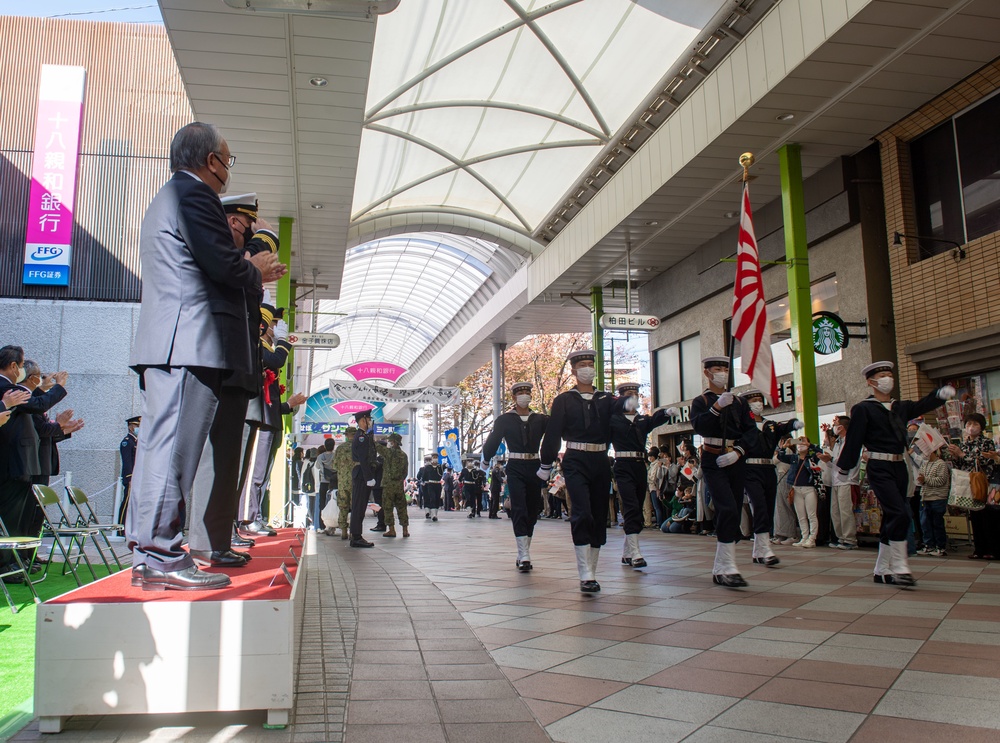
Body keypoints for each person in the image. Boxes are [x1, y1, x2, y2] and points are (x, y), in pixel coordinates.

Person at [125, 122, 285, 591]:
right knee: (172, 451)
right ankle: (160, 555)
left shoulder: (171, 196)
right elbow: (220, 262)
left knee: (165, 450)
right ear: (212, 161)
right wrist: (253, 270)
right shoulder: (194, 196)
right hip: (187, 344)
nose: (227, 171)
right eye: (227, 161)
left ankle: (154, 552)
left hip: (178, 344)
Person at [837, 361, 955, 587]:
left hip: (900, 466)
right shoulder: (863, 408)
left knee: (892, 517)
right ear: (871, 382)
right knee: (900, 513)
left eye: (889, 375)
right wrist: (845, 466)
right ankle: (901, 566)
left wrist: (939, 394)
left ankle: (882, 570)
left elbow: (922, 405)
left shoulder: (899, 407)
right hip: (879, 466)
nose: (886, 379)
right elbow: (854, 439)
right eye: (881, 375)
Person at [539, 350, 614, 593]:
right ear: (573, 371)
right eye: (582, 365)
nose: (587, 369)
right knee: (581, 511)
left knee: (599, 513)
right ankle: (586, 574)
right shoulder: (564, 400)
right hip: (575, 459)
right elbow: (552, 434)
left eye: (590, 364)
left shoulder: (606, 399)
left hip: (601, 459)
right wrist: (546, 464)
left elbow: (620, 424)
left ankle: (592, 569)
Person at [690, 356, 759, 588]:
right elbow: (700, 426)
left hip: (735, 458)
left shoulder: (740, 403)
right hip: (713, 458)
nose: (722, 373)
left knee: (734, 509)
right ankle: (727, 567)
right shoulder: (701, 401)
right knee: (726, 507)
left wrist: (739, 451)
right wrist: (717, 407)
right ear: (708, 373)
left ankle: (723, 568)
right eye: (717, 370)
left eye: (725, 369)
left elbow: (751, 432)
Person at [482, 381, 550, 571]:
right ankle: (523, 554)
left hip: (535, 466)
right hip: (516, 466)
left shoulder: (541, 419)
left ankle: (525, 549)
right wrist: (486, 460)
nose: (524, 396)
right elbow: (493, 440)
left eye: (527, 392)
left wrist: (548, 461)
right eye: (520, 393)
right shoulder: (505, 420)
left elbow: (553, 437)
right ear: (513, 397)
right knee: (519, 507)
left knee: (532, 509)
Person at [610, 382, 677, 568]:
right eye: (628, 394)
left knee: (637, 506)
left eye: (635, 394)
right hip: (622, 465)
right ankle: (636, 552)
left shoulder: (641, 420)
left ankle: (627, 551)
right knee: (631, 506)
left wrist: (666, 413)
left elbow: (655, 419)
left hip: (640, 465)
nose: (633, 397)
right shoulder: (614, 419)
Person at [740, 389, 802, 566]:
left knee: (767, 508)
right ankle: (765, 548)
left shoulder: (770, 425)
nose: (758, 403)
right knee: (759, 505)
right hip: (750, 468)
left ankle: (759, 550)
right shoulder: (743, 425)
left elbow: (782, 428)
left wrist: (793, 424)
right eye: (754, 401)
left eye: (760, 400)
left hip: (768, 468)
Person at [946, 412, 1000, 560]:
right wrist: (955, 456)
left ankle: (992, 549)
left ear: (981, 427)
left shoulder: (986, 442)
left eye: (975, 424)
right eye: (969, 424)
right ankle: (979, 549)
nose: (971, 427)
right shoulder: (963, 443)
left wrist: (963, 455)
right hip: (969, 483)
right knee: (974, 516)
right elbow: (960, 465)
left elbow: (984, 461)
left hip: (984, 483)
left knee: (987, 516)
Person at [777, 437, 823, 548]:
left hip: (809, 489)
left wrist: (810, 445)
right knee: (801, 515)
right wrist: (784, 447)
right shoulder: (794, 458)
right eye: (798, 443)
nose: (800, 445)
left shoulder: (811, 458)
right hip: (796, 489)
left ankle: (812, 538)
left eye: (803, 443)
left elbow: (820, 452)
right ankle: (804, 537)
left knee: (811, 515)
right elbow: (780, 456)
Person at [829, 416, 861, 550]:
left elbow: (848, 460)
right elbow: (836, 461)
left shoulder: (851, 442)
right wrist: (828, 460)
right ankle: (841, 537)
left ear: (841, 427)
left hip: (847, 480)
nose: (834, 426)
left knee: (845, 511)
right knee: (835, 512)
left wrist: (831, 459)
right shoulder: (838, 442)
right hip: (835, 480)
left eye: (835, 424)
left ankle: (850, 539)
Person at [349, 409, 378, 548]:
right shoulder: (361, 437)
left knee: (360, 506)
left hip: (362, 473)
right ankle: (356, 536)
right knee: (358, 506)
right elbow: (363, 459)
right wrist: (368, 477)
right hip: (361, 474)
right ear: (362, 421)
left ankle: (356, 535)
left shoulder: (364, 436)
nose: (370, 422)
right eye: (368, 419)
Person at [916, 444, 950, 557]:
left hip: (938, 498)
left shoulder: (941, 464)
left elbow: (941, 480)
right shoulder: (925, 464)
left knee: (937, 523)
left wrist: (925, 479)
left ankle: (940, 546)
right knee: (925, 523)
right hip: (925, 497)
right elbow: (921, 477)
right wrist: (921, 480)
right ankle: (928, 545)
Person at [381, 432, 409, 538]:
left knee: (388, 507)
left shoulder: (388, 453)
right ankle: (405, 530)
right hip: (399, 485)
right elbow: (405, 472)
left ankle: (391, 530)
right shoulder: (404, 455)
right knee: (402, 507)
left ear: (393, 442)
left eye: (390, 441)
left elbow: (378, 447)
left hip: (388, 485)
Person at [333, 428, 357, 538]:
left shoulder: (340, 448)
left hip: (342, 482)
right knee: (355, 507)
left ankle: (343, 531)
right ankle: (354, 531)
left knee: (343, 506)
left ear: (346, 435)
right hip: (356, 481)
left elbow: (335, 466)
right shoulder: (359, 448)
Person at [118, 416, 140, 524]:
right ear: (131, 427)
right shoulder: (127, 442)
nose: (139, 428)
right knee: (127, 502)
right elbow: (127, 462)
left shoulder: (136, 442)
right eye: (137, 426)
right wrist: (129, 477)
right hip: (131, 477)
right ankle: (121, 527)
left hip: (138, 477)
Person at [313, 438, 337, 533]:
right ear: (333, 446)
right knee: (334, 503)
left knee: (322, 504)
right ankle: (333, 525)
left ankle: (322, 526)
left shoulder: (320, 457)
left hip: (324, 482)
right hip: (334, 482)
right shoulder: (336, 455)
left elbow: (317, 467)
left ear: (325, 446)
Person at [418, 456, 443, 521]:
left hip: (433, 484)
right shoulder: (423, 468)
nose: (428, 461)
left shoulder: (438, 467)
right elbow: (419, 477)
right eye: (427, 460)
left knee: (433, 498)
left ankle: (432, 513)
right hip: (426, 484)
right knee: (428, 498)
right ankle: (428, 512)